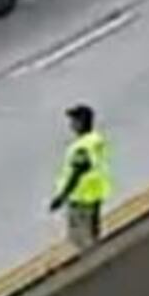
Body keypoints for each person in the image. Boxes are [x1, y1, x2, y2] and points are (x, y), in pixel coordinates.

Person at [53, 104, 113, 251]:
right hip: (94, 194)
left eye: (73, 120)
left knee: (81, 239)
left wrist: (61, 197)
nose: (71, 124)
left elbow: (76, 173)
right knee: (92, 234)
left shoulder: (82, 147)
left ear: (80, 122)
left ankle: (96, 263)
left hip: (81, 198)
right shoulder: (96, 140)